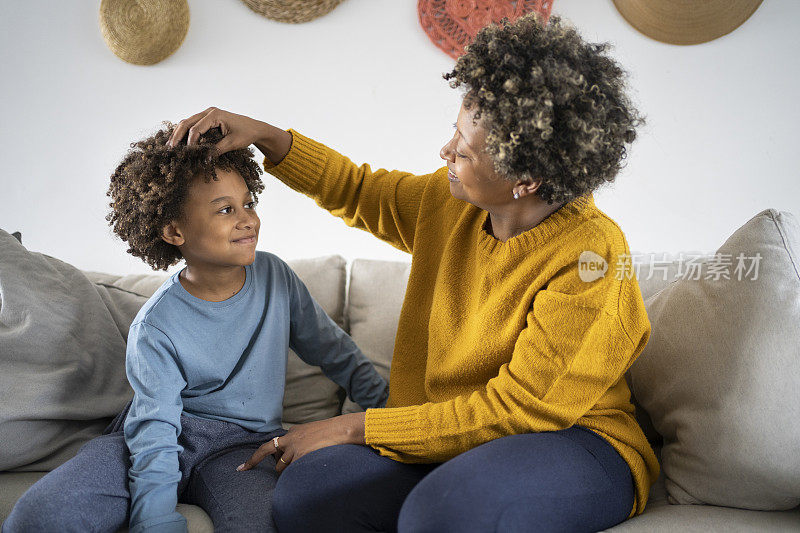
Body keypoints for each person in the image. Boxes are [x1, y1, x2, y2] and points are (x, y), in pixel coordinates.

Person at [167, 12, 660, 532]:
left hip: (572, 440)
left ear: (528, 178)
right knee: (308, 496)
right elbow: (358, 190)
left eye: (464, 150)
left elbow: (519, 409)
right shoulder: (451, 205)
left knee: (441, 514)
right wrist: (267, 136)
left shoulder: (591, 254)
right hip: (452, 437)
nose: (445, 151)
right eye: (454, 131)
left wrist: (356, 427)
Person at [2, 126, 388, 533]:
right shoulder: (155, 325)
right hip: (160, 439)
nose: (247, 220)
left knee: (263, 523)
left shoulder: (275, 276)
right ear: (174, 232)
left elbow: (333, 351)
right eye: (225, 210)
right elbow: (155, 429)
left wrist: (387, 413)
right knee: (42, 516)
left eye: (248, 203)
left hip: (243, 448)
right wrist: (155, 519)